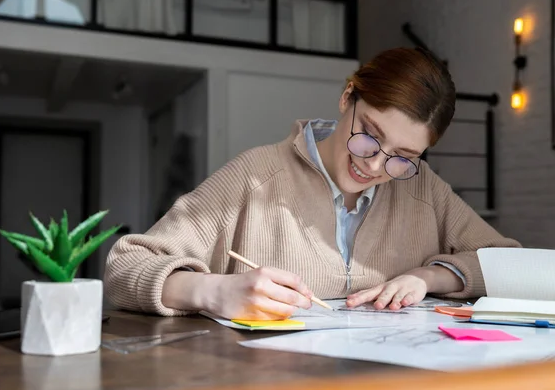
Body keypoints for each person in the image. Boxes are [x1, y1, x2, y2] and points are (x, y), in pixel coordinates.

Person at [105, 47, 521, 320]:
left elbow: (511, 264)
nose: (375, 165)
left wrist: (429, 277)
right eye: (370, 135)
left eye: (403, 157)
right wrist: (212, 290)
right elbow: (124, 267)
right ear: (347, 98)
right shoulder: (256, 175)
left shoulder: (422, 188)